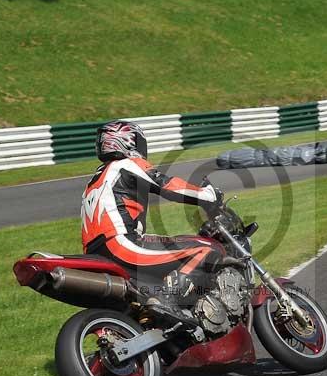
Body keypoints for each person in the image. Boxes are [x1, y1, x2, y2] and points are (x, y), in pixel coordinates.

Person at [81, 120, 223, 324]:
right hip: (122, 246)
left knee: (172, 244)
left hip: (97, 255)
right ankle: (169, 299)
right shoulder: (126, 165)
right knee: (205, 250)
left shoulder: (95, 180)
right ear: (127, 141)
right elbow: (167, 186)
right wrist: (207, 195)